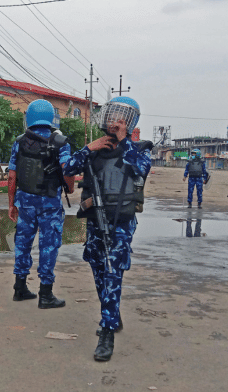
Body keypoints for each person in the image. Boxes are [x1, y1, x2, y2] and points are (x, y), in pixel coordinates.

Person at [63, 96, 152, 362]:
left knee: (113, 272)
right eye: (113, 117)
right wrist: (89, 147)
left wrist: (125, 141)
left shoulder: (139, 149)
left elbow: (142, 169)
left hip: (121, 223)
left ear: (129, 123)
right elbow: (67, 168)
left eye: (121, 119)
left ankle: (107, 330)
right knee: (99, 270)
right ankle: (111, 311)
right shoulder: (95, 150)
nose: (115, 122)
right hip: (95, 221)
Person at [8, 99, 73, 310]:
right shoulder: (61, 142)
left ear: (30, 117)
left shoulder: (19, 141)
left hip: (25, 202)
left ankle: (20, 288)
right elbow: (67, 170)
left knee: (22, 243)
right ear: (50, 117)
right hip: (50, 204)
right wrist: (70, 188)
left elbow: (11, 176)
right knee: (48, 246)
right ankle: (46, 294)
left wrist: (11, 204)